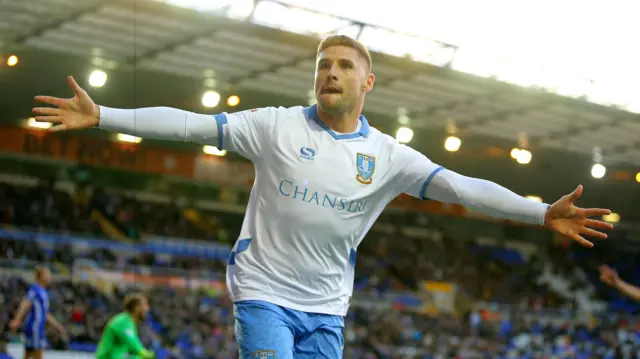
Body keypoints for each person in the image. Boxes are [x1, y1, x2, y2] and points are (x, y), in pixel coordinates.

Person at [32, 35, 613, 359]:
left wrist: (539, 211)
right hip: (263, 293)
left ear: (367, 83)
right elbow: (189, 124)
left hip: (328, 307)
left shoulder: (388, 156)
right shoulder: (275, 125)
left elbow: (463, 188)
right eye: (322, 66)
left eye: (343, 66)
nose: (330, 73)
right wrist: (104, 114)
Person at [9, 267, 67, 359]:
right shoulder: (35, 290)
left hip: (37, 328)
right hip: (34, 328)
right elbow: (25, 303)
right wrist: (17, 320)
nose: (50, 276)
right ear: (41, 276)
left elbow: (46, 314)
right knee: (38, 356)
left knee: (27, 355)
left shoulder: (43, 292)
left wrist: (57, 326)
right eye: (47, 274)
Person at [95, 293, 155, 359]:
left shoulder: (129, 322)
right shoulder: (123, 321)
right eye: (145, 305)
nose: (148, 308)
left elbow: (134, 344)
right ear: (136, 308)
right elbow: (132, 343)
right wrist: (144, 353)